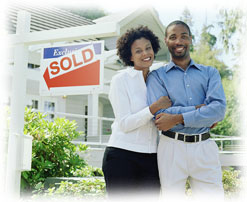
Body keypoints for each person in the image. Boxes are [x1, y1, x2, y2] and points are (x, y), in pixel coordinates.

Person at [146, 20, 226, 201]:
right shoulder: (156, 77)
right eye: (173, 37)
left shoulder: (210, 73)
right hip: (171, 148)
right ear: (166, 41)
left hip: (204, 147)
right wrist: (199, 111)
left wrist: (177, 117)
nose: (178, 41)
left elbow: (218, 110)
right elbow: (159, 117)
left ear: (190, 39)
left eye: (183, 36)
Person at [102, 26, 171, 199]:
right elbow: (125, 123)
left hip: (151, 157)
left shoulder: (159, 78)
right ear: (130, 56)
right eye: (138, 51)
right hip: (121, 155)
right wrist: (153, 108)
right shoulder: (121, 80)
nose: (145, 53)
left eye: (148, 48)